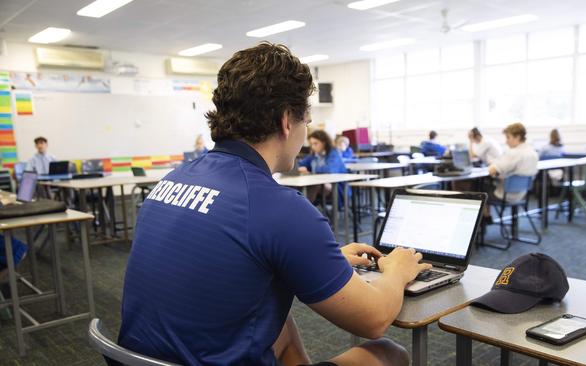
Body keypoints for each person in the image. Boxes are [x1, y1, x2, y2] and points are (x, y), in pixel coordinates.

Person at [118, 42, 423, 366]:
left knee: (277, 320)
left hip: (135, 359)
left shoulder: (171, 180)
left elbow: (230, 257)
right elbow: (373, 320)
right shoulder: (281, 209)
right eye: (305, 119)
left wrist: (324, 261)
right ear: (286, 122)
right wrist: (397, 272)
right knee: (390, 354)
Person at [485, 122, 539, 220]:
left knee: (479, 190)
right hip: (522, 194)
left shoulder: (514, 153)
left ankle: (485, 220)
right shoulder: (533, 153)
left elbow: (492, 170)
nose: (506, 141)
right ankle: (486, 219)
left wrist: (492, 164)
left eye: (508, 137)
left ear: (517, 137)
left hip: (506, 195)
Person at [298, 130, 348, 202]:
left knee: (314, 186)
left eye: (316, 143)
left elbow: (330, 170)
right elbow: (301, 164)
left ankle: (306, 209)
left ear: (324, 142)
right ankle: (305, 208)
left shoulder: (334, 153)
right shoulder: (314, 155)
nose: (313, 147)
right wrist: (302, 168)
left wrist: (311, 172)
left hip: (336, 187)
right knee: (299, 187)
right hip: (320, 183)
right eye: (311, 144)